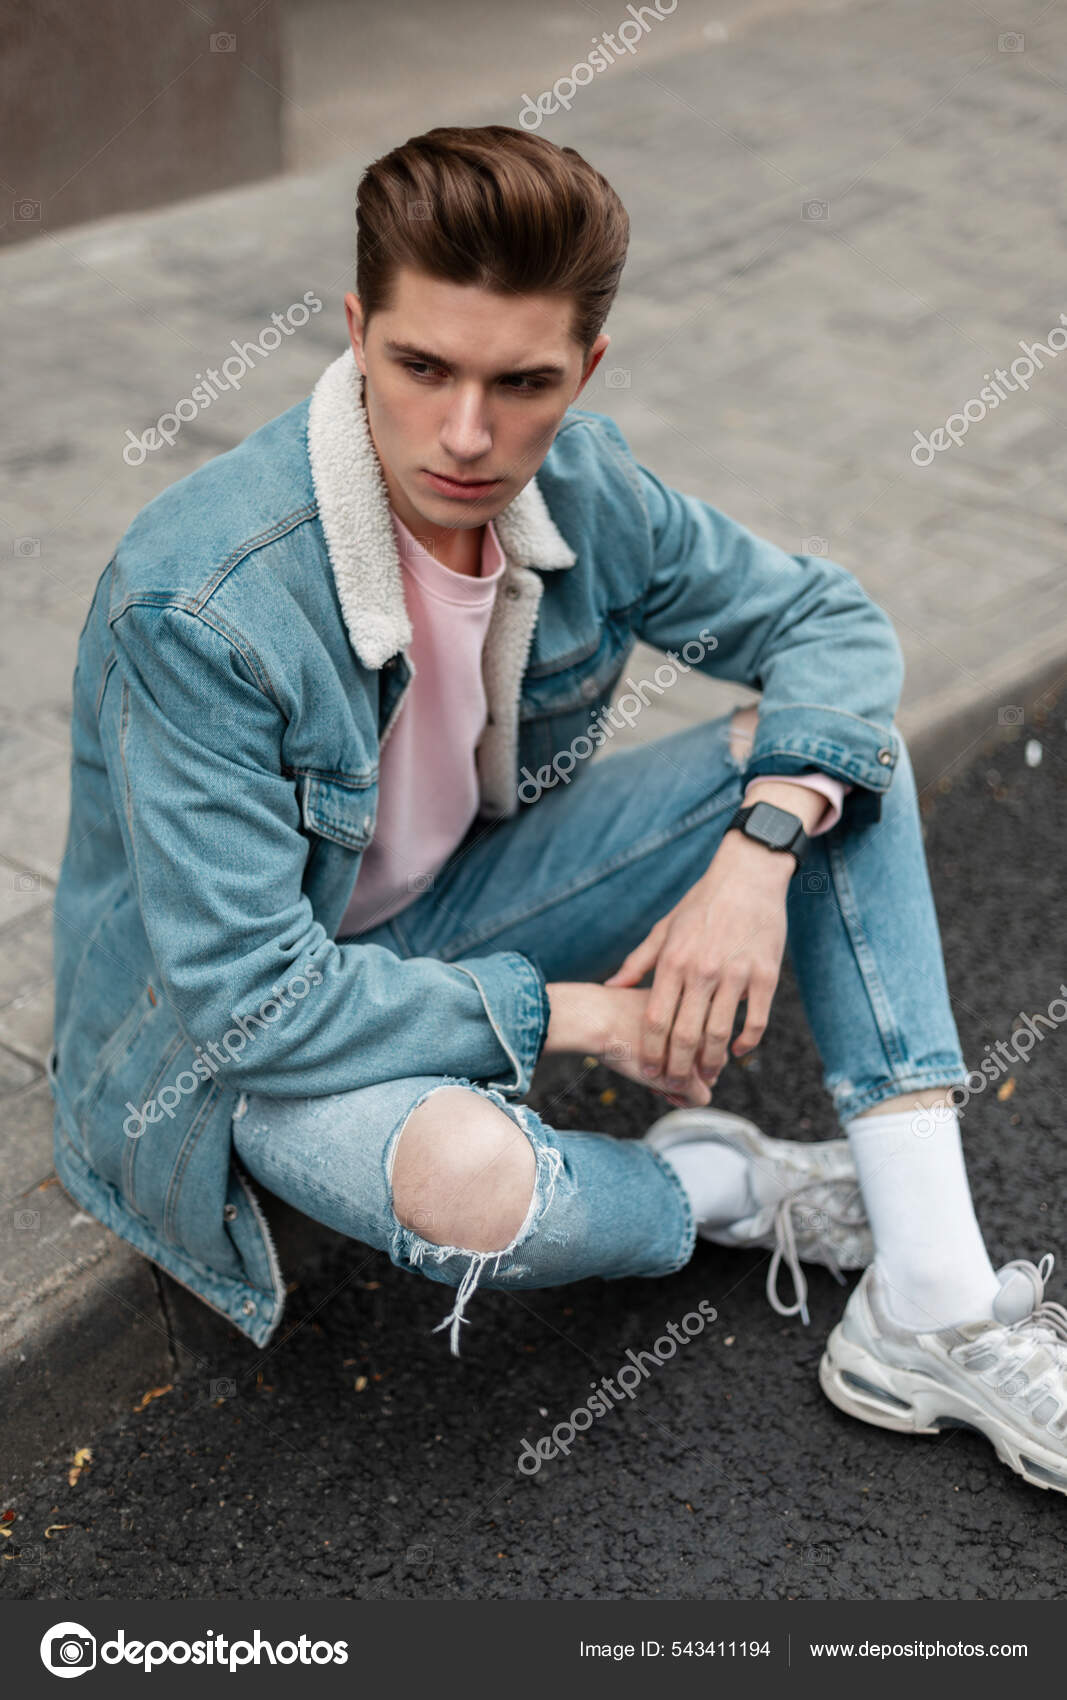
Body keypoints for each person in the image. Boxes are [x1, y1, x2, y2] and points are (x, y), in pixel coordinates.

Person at [50, 125, 1067, 1500]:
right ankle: (722, 1188)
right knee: (476, 1184)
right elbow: (247, 1003)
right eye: (421, 369)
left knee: (834, 750)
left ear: (583, 371)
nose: (467, 435)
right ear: (357, 334)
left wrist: (756, 859)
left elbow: (827, 621)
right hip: (237, 1038)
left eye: (520, 384)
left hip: (457, 909)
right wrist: (579, 1018)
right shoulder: (203, 600)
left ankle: (931, 1306)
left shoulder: (585, 487)